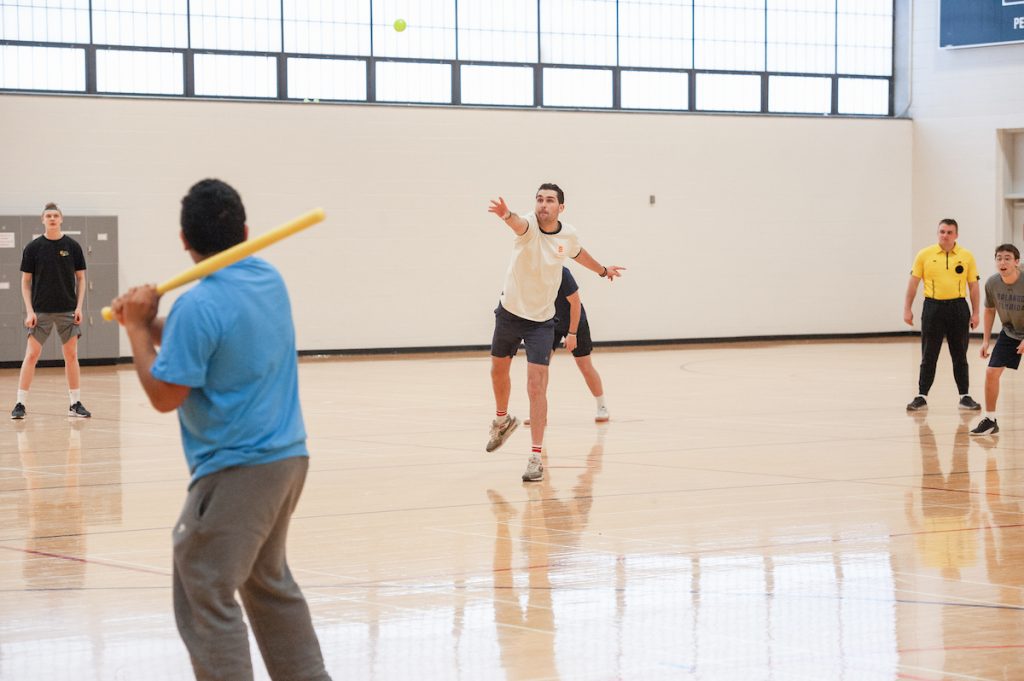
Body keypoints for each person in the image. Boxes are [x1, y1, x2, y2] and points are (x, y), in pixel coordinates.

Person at [110, 179, 331, 681]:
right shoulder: (267, 280)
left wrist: (137, 331)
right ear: (247, 231)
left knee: (203, 588)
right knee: (266, 582)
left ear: (185, 242)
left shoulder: (199, 304)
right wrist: (150, 321)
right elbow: (212, 338)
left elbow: (166, 396)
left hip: (238, 471)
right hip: (287, 461)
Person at [485, 183, 623, 482]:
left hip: (541, 322)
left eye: (549, 201)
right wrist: (506, 214)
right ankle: (502, 420)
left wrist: (602, 270)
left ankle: (535, 457)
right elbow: (517, 224)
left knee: (536, 386)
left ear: (561, 207)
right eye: (539, 199)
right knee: (498, 371)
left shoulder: (566, 237)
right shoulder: (529, 227)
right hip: (509, 312)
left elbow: (578, 253)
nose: (542, 205)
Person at [11, 202, 90, 420]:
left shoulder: (72, 246)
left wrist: (79, 306)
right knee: (31, 355)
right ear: (43, 220)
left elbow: (81, 278)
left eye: (56, 215)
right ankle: (20, 403)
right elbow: (25, 282)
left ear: (61, 219)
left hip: (67, 310)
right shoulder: (33, 248)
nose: (52, 219)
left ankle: (74, 403)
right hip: (41, 310)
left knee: (71, 355)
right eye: (48, 216)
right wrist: (29, 311)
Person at [903, 218, 981, 412]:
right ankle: (921, 396)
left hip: (958, 308)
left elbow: (973, 286)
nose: (945, 235)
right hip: (933, 308)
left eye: (949, 232)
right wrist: (907, 308)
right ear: (938, 233)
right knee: (929, 354)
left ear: (956, 235)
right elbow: (913, 283)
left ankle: (965, 396)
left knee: (959, 354)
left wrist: (976, 312)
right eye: (942, 231)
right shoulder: (925, 255)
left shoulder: (966, 256)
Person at [525, 267, 610, 424]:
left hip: (575, 321)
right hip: (550, 322)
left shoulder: (562, 272)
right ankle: (538, 412)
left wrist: (572, 334)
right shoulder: (532, 273)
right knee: (540, 367)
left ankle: (602, 405)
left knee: (584, 365)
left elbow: (575, 304)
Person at [970, 244, 1024, 435]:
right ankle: (990, 420)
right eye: (999, 258)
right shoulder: (992, 283)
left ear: (1016, 262)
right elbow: (990, 310)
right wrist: (985, 341)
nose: (1003, 262)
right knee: (991, 372)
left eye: (1007, 258)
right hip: (1010, 332)